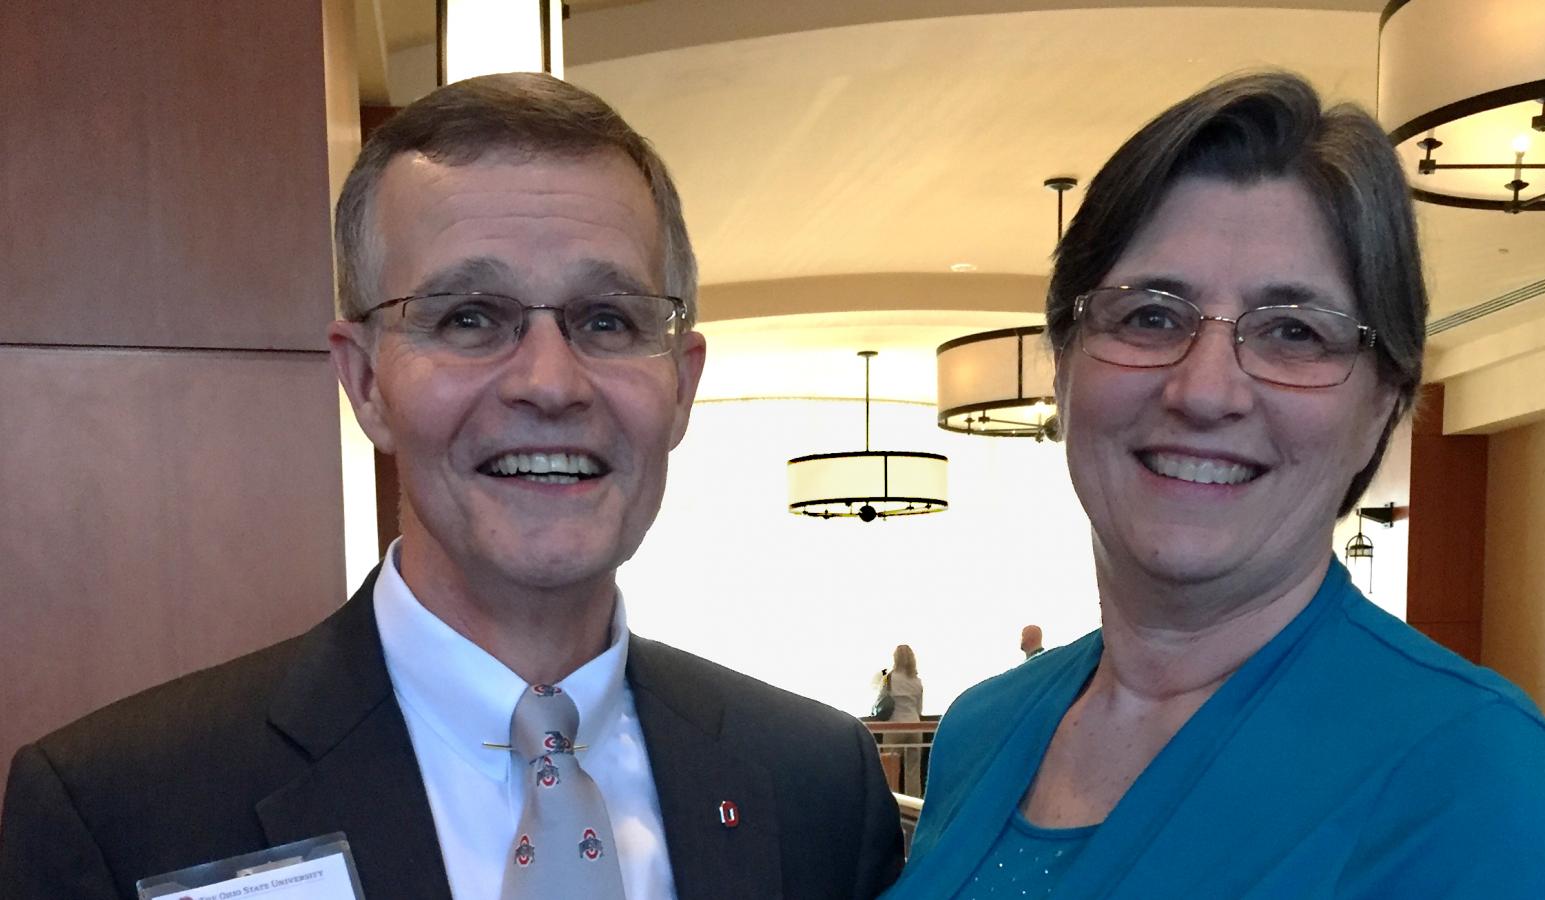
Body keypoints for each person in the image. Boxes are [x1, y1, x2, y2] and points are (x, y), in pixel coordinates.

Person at [0, 73, 902, 900]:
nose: (550, 383)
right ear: (365, 382)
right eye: (470, 318)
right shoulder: (120, 807)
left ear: (682, 385)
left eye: (609, 319)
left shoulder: (815, 783)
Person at [885, 72, 1545, 898]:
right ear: (1063, 367)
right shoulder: (985, 726)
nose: (1205, 391)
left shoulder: (1476, 777)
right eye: (1150, 315)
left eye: (1294, 331)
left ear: (1386, 403)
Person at [878, 645, 926, 796]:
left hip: (894, 726)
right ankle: (914, 805)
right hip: (915, 727)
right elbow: (919, 708)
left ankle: (891, 801)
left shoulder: (889, 677)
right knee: (913, 770)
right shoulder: (917, 681)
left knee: (890, 769)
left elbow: (880, 699)